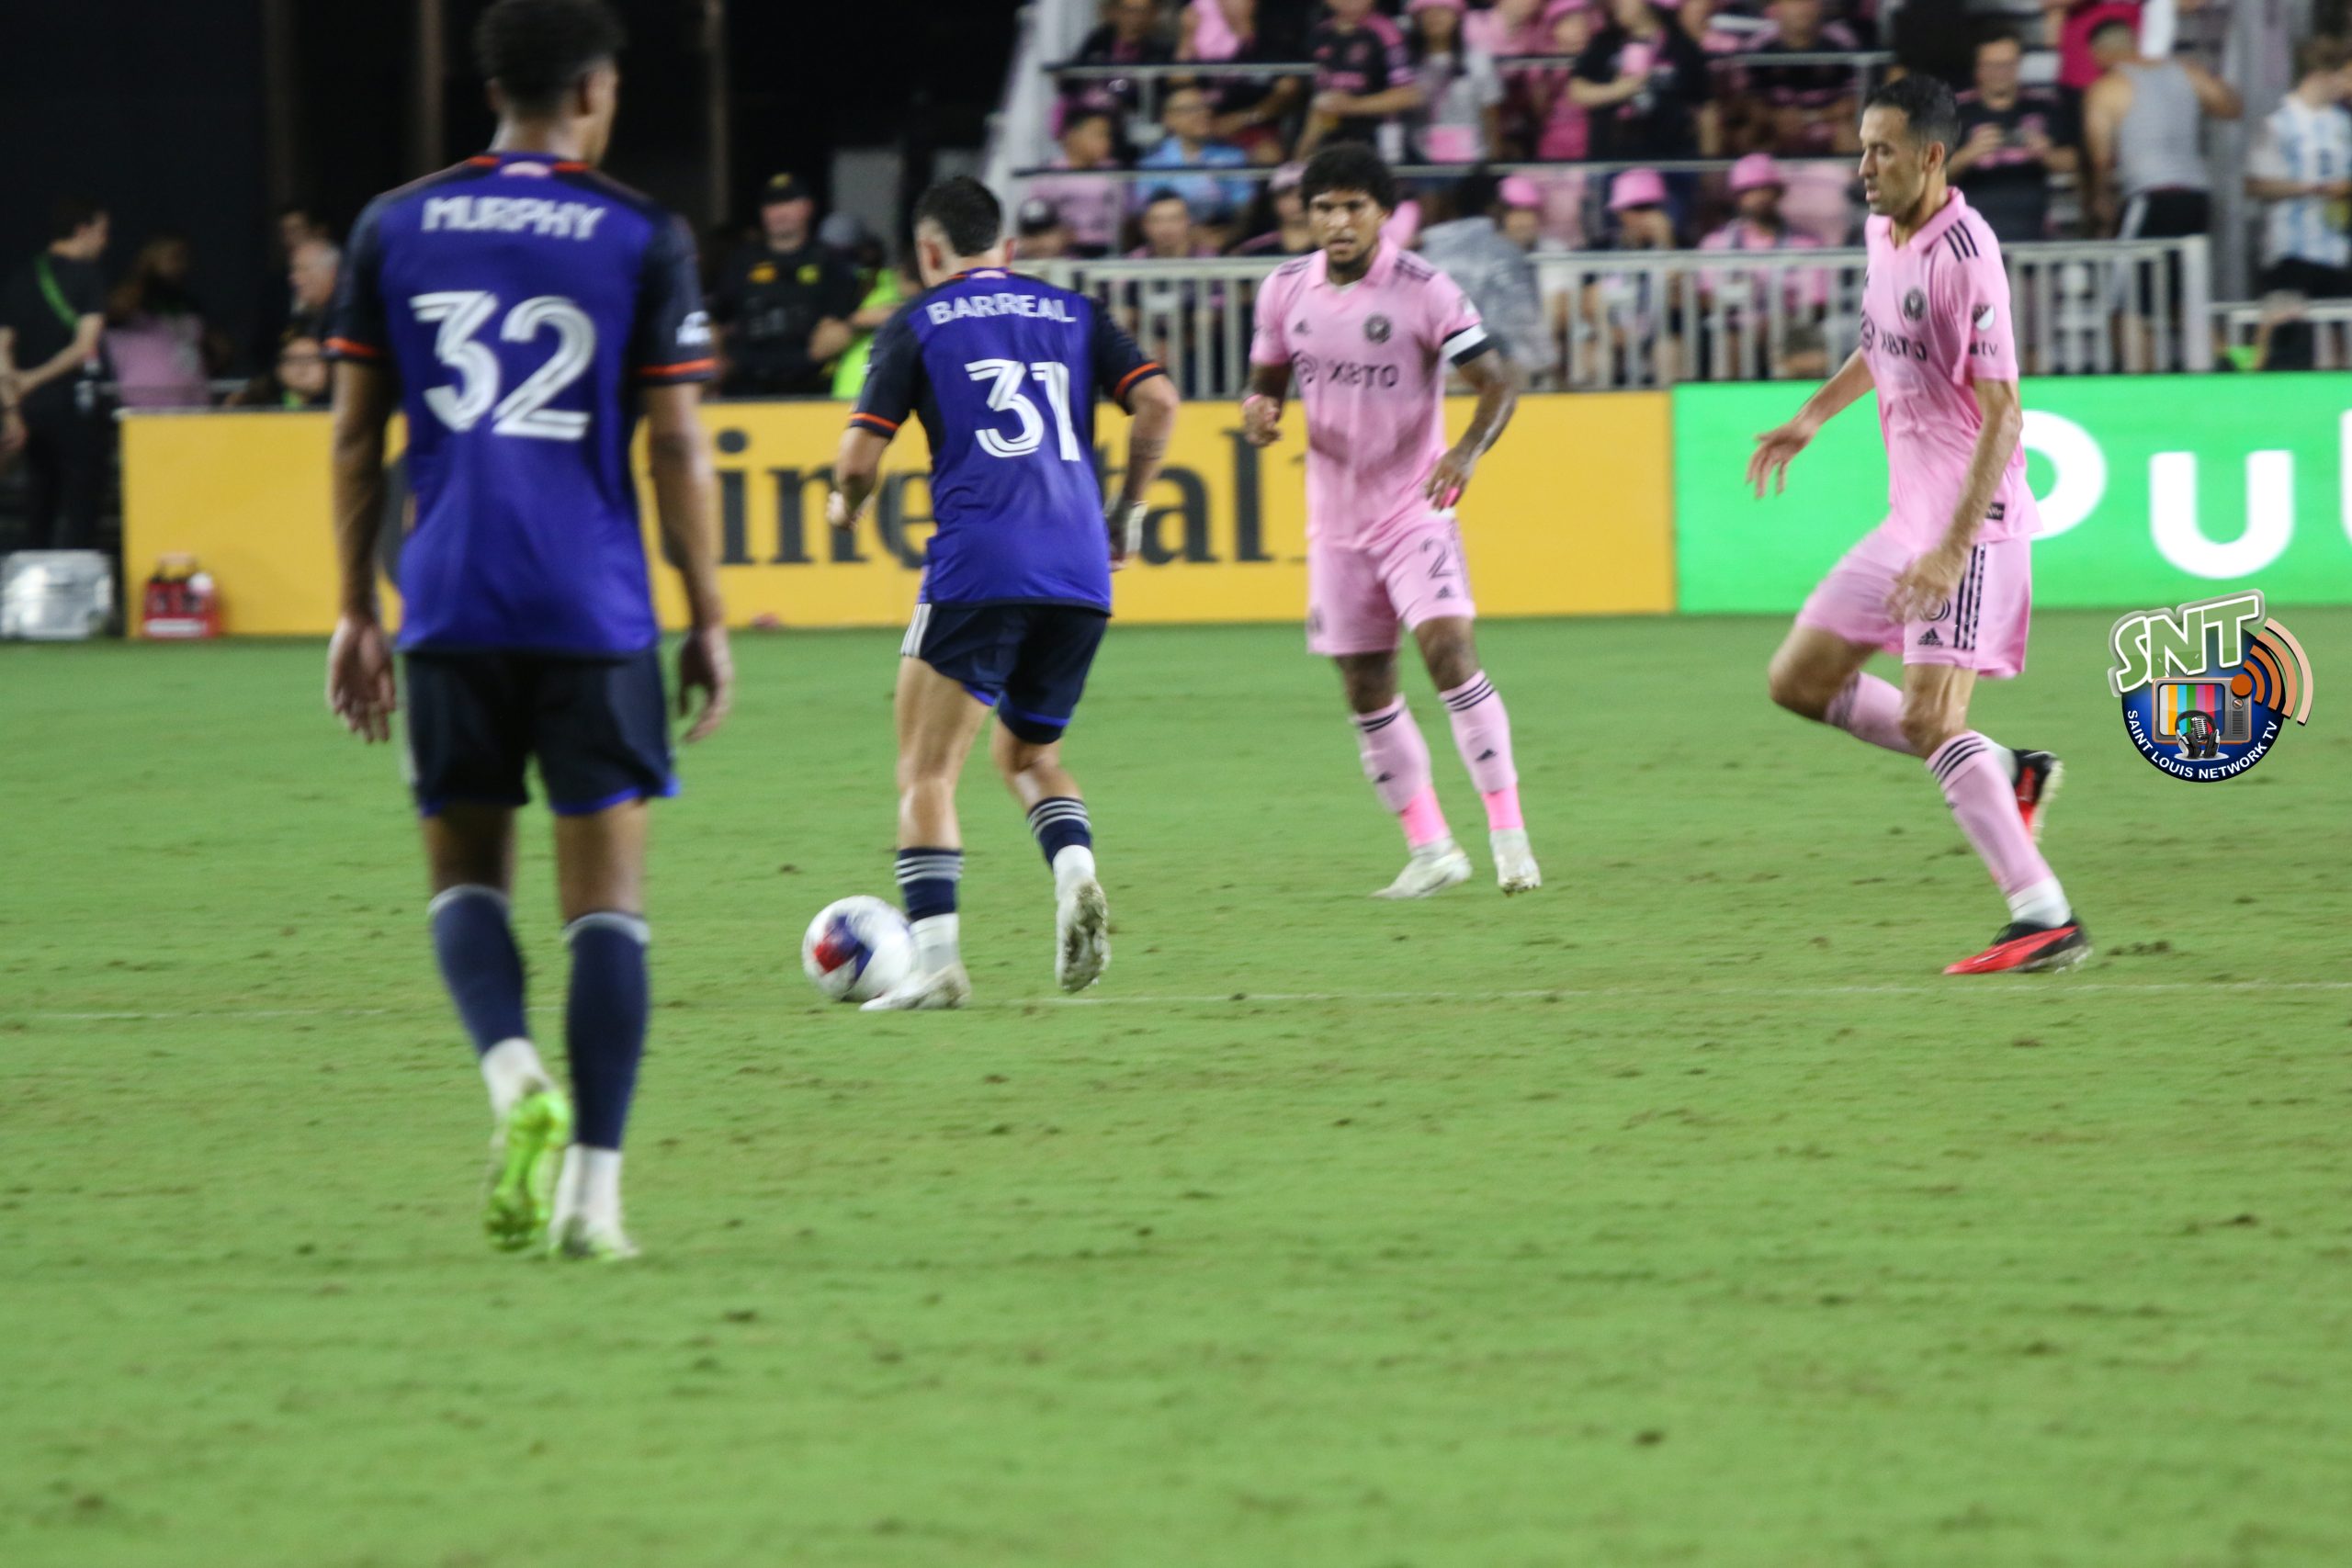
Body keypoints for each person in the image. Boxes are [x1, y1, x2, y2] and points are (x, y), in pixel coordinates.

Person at [322, 0, 731, 1259]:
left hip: (448, 600)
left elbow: (354, 438)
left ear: (489, 90)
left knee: (464, 883)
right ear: (596, 91)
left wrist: (354, 609)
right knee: (607, 910)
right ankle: (593, 1202)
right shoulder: (640, 232)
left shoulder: (393, 224)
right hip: (593, 609)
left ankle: (512, 1075)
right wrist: (708, 617)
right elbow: (677, 446)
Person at [1747, 75, 2086, 975]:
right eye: (1861, 148)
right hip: (1910, 522)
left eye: (1882, 150)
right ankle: (2005, 770)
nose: (1863, 166)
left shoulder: (1967, 255)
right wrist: (1812, 417)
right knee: (1798, 680)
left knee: (1933, 718)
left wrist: (1948, 550)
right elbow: (1882, 343)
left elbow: (2004, 413)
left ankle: (2043, 914)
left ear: (1930, 156)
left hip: (1969, 529)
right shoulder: (1882, 232)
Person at [825, 176, 1181, 1010]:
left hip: (980, 565)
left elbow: (857, 460)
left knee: (925, 771)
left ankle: (937, 966)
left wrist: (847, 503)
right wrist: (1127, 510)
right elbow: (1159, 401)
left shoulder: (917, 321)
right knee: (1027, 755)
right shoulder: (1077, 312)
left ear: (928, 251)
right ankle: (1076, 873)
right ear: (1008, 248)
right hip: (1081, 568)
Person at [1242, 145, 1540, 898]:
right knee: (1366, 686)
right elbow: (1269, 375)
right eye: (1323, 208)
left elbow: (1497, 382)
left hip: (1415, 511)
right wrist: (1261, 408)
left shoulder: (1424, 289)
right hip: (1335, 523)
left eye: (1353, 206)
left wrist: (1466, 451)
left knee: (1449, 651)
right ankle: (1431, 848)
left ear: (1382, 213)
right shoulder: (1283, 289)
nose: (1338, 222)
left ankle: (1509, 838)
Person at [0, 198, 110, 551]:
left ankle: (33, 577)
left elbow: (2, 350)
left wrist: (12, 409)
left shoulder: (20, 278)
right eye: (101, 232)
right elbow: (84, 346)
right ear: (82, 230)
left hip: (29, 411)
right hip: (76, 407)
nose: (105, 242)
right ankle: (77, 581)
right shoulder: (89, 278)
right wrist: (34, 377)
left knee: (38, 505)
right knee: (81, 509)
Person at [2245, 36, 2352, 370]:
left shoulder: (2343, 124)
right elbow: (2255, 185)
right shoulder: (2278, 124)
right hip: (2289, 251)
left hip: (2337, 250)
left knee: (2338, 340)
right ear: (2322, 75)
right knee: (2286, 341)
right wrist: (2313, 189)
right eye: (2345, 76)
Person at [2081, 17, 2240, 240]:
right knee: (2189, 260)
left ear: (2099, 51)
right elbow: (2231, 108)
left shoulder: (2106, 89)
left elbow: (2101, 157)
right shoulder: (2186, 71)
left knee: (2135, 261)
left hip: (2149, 193)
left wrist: (2101, 196)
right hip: (2195, 193)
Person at [710, 171, 862, 396]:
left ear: (807, 207)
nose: (780, 213)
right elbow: (715, 319)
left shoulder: (830, 262)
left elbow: (846, 323)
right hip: (747, 386)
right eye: (772, 205)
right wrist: (717, 362)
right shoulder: (742, 262)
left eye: (788, 203)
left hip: (811, 387)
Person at [1950, 29, 2078, 245]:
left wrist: (2046, 153)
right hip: (1970, 238)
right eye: (1992, 66)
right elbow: (1930, 174)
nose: (2001, 73)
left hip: (2034, 234)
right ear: (1977, 68)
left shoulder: (2044, 106)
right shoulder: (1955, 112)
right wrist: (1970, 153)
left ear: (2019, 65)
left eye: (2008, 65)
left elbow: (2074, 162)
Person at [1418, 168, 1549, 376]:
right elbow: (1521, 318)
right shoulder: (1502, 252)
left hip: (1432, 371)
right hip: (1487, 371)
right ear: (1494, 207)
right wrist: (1545, 362)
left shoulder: (1425, 253)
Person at [1572, 0, 1719, 161]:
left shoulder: (1682, 46)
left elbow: (1706, 110)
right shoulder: (1604, 42)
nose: (1616, 3)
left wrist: (1709, 166)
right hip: (1612, 161)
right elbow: (1577, 90)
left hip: (1669, 161)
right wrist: (1618, 90)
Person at [106, 231, 227, 409]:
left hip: (191, 402)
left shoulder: (188, 303)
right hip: (144, 403)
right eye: (174, 257)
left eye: (184, 257)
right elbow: (117, 311)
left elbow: (219, 348)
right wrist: (144, 274)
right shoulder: (131, 298)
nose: (180, 265)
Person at [1297, 0, 1425, 160]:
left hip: (1377, 140)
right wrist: (1301, 155)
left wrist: (1351, 106)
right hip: (1331, 140)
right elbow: (1320, 100)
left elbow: (1409, 95)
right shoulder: (1320, 33)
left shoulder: (1387, 32)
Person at [1735, 0, 1862, 156]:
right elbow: (1747, 102)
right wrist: (1775, 118)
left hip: (1827, 123)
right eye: (1794, 2)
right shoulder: (1757, 47)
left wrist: (1809, 118)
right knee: (1748, 134)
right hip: (1775, 126)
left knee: (1849, 132)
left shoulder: (1842, 42)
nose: (1803, 8)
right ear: (1777, 7)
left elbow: (1853, 100)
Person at [1136, 84, 1256, 224]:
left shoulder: (1233, 157)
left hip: (1222, 231)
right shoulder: (1152, 164)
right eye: (1191, 109)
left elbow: (1244, 208)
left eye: (1204, 107)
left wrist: (1229, 233)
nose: (1202, 114)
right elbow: (1144, 214)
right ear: (1169, 119)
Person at [1408, 0, 1506, 164]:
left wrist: (1493, 160)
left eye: (1443, 10)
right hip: (1419, 158)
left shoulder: (1477, 60)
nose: (1435, 16)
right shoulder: (1406, 65)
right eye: (1427, 11)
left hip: (1471, 159)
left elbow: (1491, 116)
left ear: (1457, 16)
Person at [1026, 110, 1128, 259]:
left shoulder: (1115, 172)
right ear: (1072, 136)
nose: (1106, 142)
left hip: (1108, 251)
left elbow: (1126, 217)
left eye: (1107, 136)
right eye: (1098, 135)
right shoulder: (1049, 174)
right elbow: (1037, 218)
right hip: (1062, 252)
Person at [1066, 0, 1175, 130]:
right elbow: (1072, 79)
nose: (1135, 17)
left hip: (1138, 117)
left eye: (1142, 11)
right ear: (1115, 12)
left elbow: (1161, 90)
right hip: (1096, 114)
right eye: (1128, 10)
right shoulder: (1098, 40)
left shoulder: (1161, 47)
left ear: (1153, 14)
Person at [230, 332, 333, 409]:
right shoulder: (256, 406)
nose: (302, 367)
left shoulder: (339, 406)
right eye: (293, 359)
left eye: (311, 359)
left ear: (328, 366)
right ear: (279, 368)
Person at [288, 236, 342, 341]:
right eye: (294, 271)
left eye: (303, 269)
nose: (294, 278)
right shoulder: (308, 318)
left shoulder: (350, 317)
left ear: (332, 272)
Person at [1014, 197, 1077, 262]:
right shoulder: (1012, 264)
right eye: (1031, 234)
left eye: (1045, 233)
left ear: (1063, 234)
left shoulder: (1079, 261)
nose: (1039, 242)